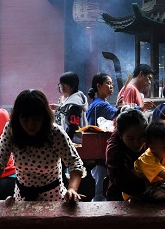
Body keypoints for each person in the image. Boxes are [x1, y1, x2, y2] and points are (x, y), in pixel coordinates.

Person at [0, 89, 85, 209]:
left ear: (44, 117)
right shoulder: (11, 129)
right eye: (25, 119)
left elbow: (75, 164)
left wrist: (72, 189)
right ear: (18, 118)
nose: (31, 124)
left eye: (36, 119)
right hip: (21, 199)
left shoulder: (55, 133)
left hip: (53, 199)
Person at [86, 73, 119, 201]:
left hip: (98, 149)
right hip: (99, 149)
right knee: (99, 184)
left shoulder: (99, 102)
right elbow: (115, 113)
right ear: (98, 86)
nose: (111, 86)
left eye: (112, 84)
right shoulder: (100, 105)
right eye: (108, 84)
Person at [105, 108, 148, 201]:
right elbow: (123, 182)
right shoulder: (114, 150)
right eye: (130, 138)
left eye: (141, 137)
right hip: (118, 199)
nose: (137, 143)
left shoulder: (150, 140)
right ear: (121, 135)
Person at [52, 71, 88, 144]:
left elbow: (73, 126)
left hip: (75, 141)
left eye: (64, 84)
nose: (61, 86)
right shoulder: (75, 98)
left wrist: (66, 143)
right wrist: (58, 108)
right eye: (61, 84)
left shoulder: (74, 104)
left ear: (73, 85)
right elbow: (68, 113)